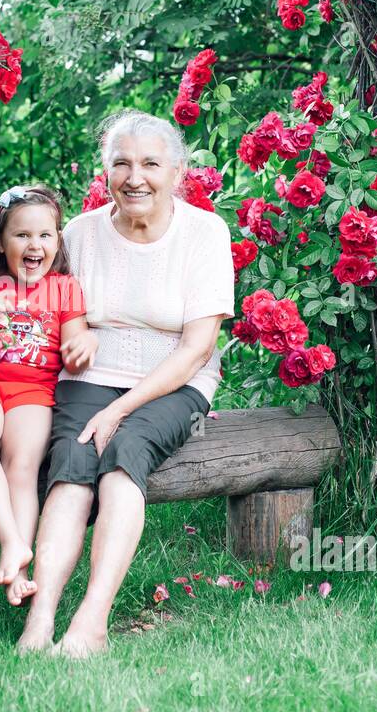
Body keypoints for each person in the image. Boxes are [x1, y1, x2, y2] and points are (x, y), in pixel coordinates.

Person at [15, 110, 235, 657]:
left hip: (178, 385)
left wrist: (121, 411)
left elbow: (197, 349)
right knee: (72, 461)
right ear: (105, 170)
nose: (135, 177)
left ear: (177, 170)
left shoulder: (205, 233)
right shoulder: (81, 233)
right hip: (91, 376)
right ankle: (39, 621)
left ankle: (91, 621)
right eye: (122, 164)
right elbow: (37, 298)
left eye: (150, 164)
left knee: (124, 452)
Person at [0, 185, 97, 606]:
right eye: (22, 235)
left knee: (22, 464)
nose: (34, 245)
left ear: (58, 241)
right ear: (0, 241)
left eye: (45, 235)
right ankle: (12, 543)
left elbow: (76, 343)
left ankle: (19, 571)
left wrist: (84, 348)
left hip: (34, 389)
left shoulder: (65, 289)